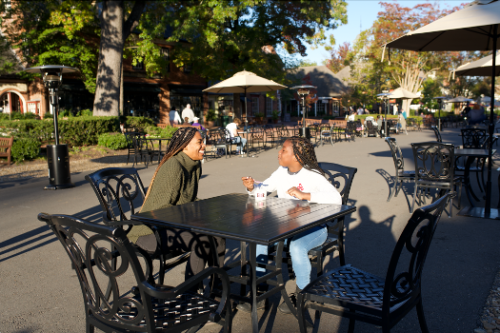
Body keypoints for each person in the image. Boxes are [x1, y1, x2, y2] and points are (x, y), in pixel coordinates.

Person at [240, 137, 342, 314]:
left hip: (314, 229)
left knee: (296, 247)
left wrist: (305, 195)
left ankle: (302, 294)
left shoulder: (313, 175)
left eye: (284, 150)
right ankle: (261, 290)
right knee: (260, 240)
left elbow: (336, 199)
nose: (279, 152)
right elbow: (263, 189)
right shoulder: (281, 171)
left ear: (296, 156)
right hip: (286, 228)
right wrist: (252, 188)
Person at [127, 127, 226, 281]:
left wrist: (212, 209)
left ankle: (217, 290)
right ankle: (191, 295)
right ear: (184, 146)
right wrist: (194, 217)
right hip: (148, 232)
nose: (204, 146)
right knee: (203, 240)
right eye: (199, 142)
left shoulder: (194, 165)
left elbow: (188, 200)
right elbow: (160, 210)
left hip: (168, 227)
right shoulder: (174, 166)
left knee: (219, 233)